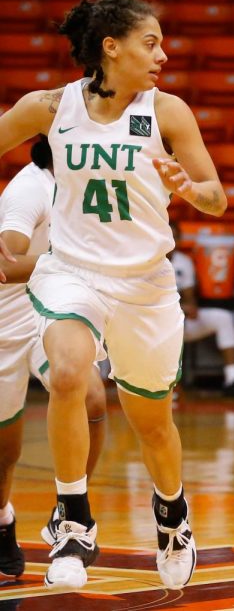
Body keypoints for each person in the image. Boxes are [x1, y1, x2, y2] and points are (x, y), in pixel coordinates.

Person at [0, 0, 227, 590]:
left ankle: (172, 513)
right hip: (73, 271)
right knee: (70, 373)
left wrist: (190, 188)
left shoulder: (169, 111)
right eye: (151, 43)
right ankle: (74, 519)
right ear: (111, 46)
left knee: (152, 423)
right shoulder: (50, 107)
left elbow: (216, 195)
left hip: (145, 285)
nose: (163, 54)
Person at [0, 137, 108, 579]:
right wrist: (65, 258)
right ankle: (3, 520)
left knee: (92, 399)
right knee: (5, 454)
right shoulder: (29, 189)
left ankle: (71, 509)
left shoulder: (81, 190)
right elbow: (6, 260)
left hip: (49, 316)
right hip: (7, 326)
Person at [169, 222, 234, 397]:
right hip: (156, 323)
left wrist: (188, 307)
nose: (172, 240)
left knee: (223, 317)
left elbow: (190, 302)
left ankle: (233, 380)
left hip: (180, 320)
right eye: (168, 235)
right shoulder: (149, 261)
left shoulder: (184, 262)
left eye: (175, 237)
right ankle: (168, 385)